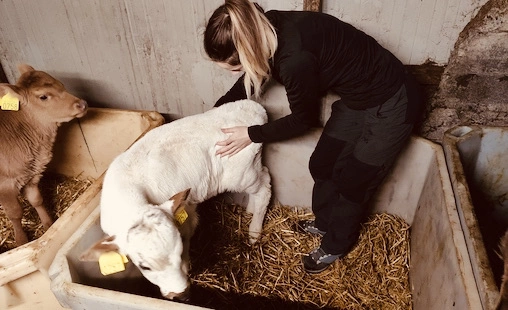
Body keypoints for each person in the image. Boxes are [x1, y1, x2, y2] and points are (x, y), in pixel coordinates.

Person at [204, 0, 423, 274]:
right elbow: (254, 75)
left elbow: (303, 120)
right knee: (322, 163)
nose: (239, 73)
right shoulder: (266, 28)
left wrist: (252, 135)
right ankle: (325, 221)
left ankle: (335, 244)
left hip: (393, 101)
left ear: (248, 51)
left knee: (356, 181)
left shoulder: (294, 60)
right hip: (357, 99)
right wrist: (213, 115)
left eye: (236, 68)